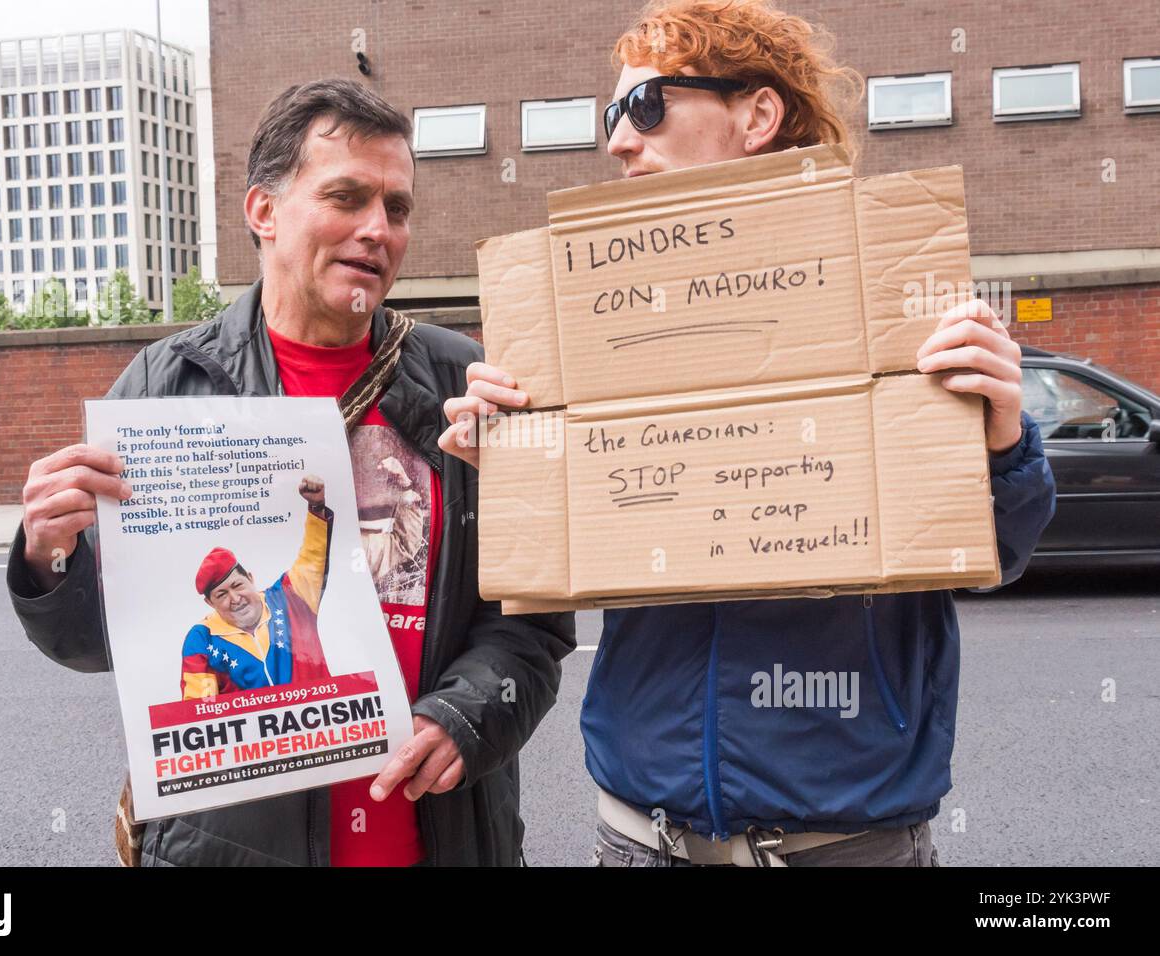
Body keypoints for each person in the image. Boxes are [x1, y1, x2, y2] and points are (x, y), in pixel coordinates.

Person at [439, 0, 1056, 867]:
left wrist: (999, 441)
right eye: (611, 117)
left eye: (646, 106)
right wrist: (505, 466)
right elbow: (558, 571)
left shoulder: (890, 286)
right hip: (642, 840)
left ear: (757, 114)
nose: (619, 140)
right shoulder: (586, 320)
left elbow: (1000, 552)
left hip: (845, 847)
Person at [7, 78, 575, 867]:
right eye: (346, 198)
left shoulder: (466, 381)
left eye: (398, 208)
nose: (378, 230)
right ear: (264, 213)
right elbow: (99, 643)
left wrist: (466, 717)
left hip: (438, 839)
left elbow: (533, 623)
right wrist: (47, 553)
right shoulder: (168, 383)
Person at [182, 475, 336, 699]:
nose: (235, 599)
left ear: (251, 578)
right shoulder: (201, 639)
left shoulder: (290, 596)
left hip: (321, 729)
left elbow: (312, 558)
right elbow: (199, 709)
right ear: (209, 602)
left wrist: (316, 507)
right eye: (222, 594)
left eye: (237, 585)